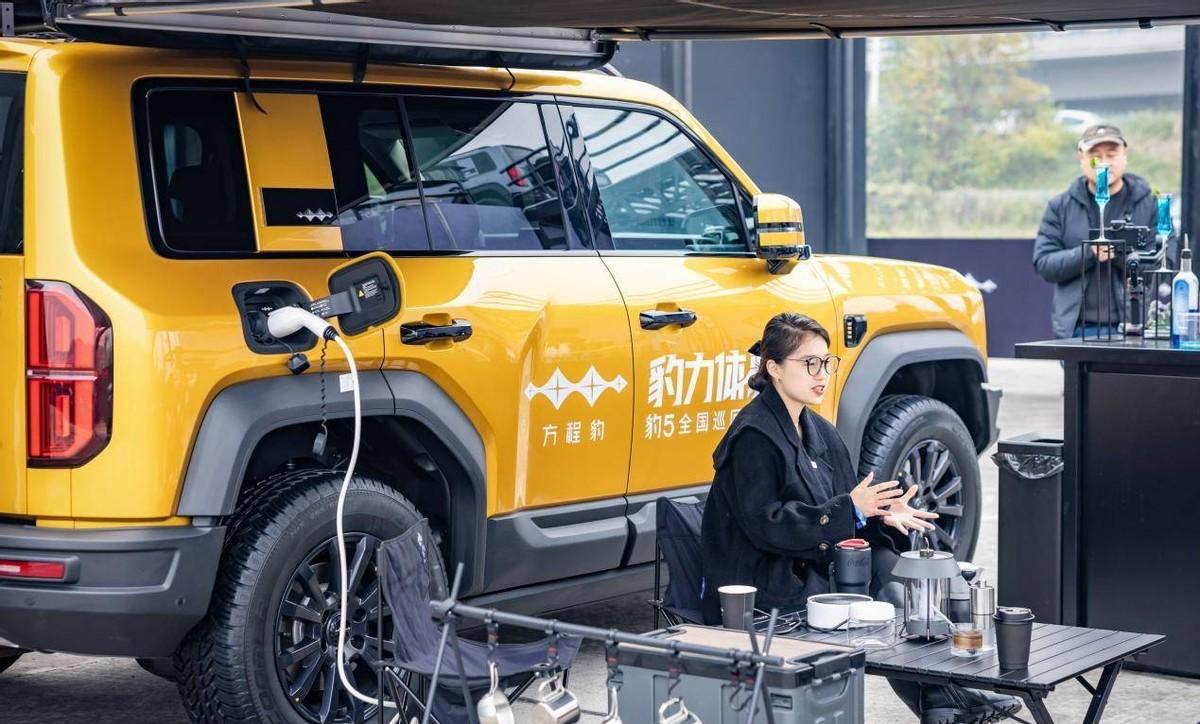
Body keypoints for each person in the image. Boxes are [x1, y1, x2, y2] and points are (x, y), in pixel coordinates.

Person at [700, 312, 1022, 724]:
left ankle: (944, 697)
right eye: (809, 363)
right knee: (885, 597)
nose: (822, 374)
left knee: (899, 573)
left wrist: (883, 513)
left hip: (810, 559)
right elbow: (768, 524)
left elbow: (845, 502)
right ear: (774, 368)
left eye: (826, 362)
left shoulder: (820, 429)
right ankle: (943, 699)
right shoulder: (754, 435)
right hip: (766, 579)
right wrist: (851, 509)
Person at [1033, 123, 1162, 339]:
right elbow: (1044, 264)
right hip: (1075, 331)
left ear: (1125, 154)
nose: (1104, 163)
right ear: (1081, 158)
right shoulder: (1060, 207)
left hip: (1133, 328)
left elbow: (1163, 263)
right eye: (1095, 156)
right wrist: (1089, 253)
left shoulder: (1150, 204)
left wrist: (1119, 253)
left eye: (1111, 154)